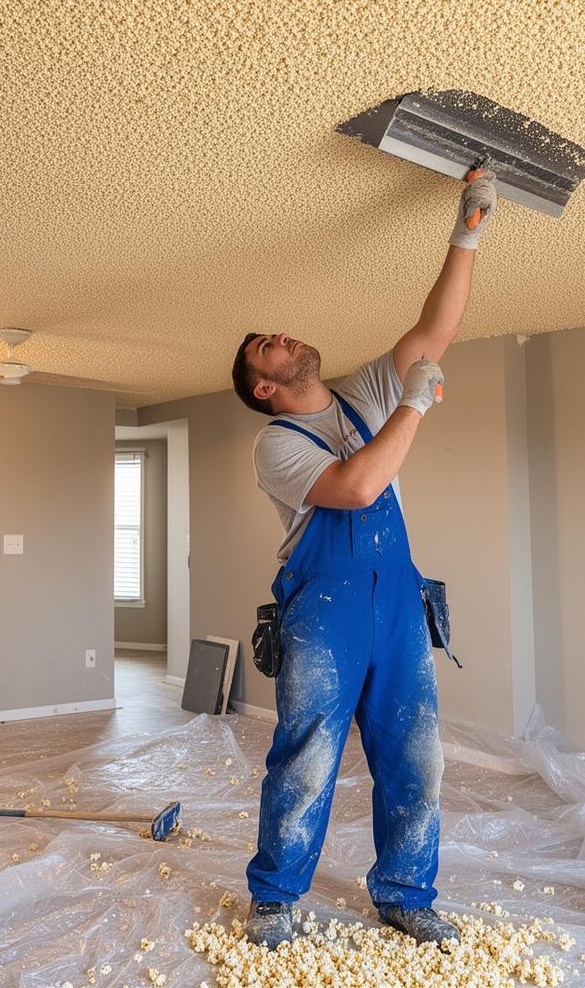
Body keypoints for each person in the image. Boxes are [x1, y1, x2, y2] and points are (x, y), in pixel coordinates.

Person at [228, 168, 499, 947]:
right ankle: (276, 895)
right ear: (264, 387)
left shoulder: (361, 395)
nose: (279, 335)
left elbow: (433, 333)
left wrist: (468, 229)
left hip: (397, 604)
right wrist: (415, 402)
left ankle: (407, 892)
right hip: (324, 611)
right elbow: (356, 485)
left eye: (274, 330)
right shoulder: (273, 445)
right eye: (264, 347)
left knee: (418, 760)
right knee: (307, 759)